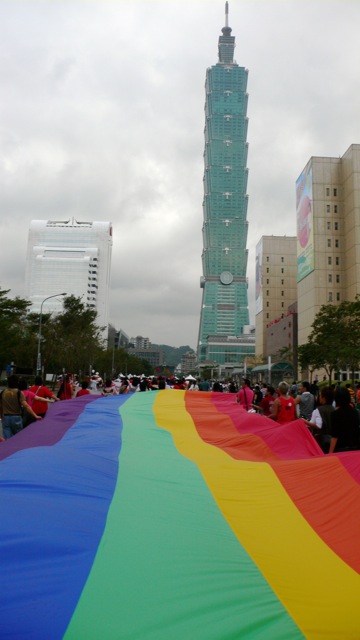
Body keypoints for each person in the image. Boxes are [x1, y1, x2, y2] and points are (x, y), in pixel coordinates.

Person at [0, 375, 42, 439]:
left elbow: (0, 406)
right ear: (17, 382)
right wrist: (35, 415)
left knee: (7, 439)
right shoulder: (18, 393)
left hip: (5, 418)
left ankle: (9, 448)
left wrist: (1, 416)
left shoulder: (3, 392)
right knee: (18, 438)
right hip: (16, 417)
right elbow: (26, 405)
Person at [302, 386, 335, 452]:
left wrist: (305, 421)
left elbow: (318, 425)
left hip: (321, 442)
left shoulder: (318, 410)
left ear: (324, 398)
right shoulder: (334, 409)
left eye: (320, 395)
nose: (319, 397)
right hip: (332, 442)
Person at [329, 387, 360, 453]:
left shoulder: (335, 414)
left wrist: (330, 453)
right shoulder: (356, 412)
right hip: (355, 448)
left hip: (341, 449)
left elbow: (334, 436)